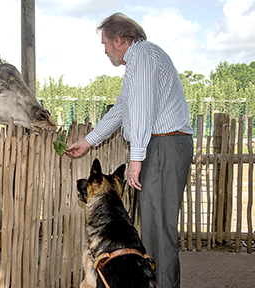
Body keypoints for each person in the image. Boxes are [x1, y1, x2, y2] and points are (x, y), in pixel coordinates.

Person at [65, 13, 193, 288]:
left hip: (164, 145)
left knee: (158, 230)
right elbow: (123, 108)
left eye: (105, 44)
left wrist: (136, 160)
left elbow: (143, 110)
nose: (105, 50)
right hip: (160, 145)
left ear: (119, 40)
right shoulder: (138, 62)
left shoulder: (143, 56)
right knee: (152, 227)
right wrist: (88, 141)